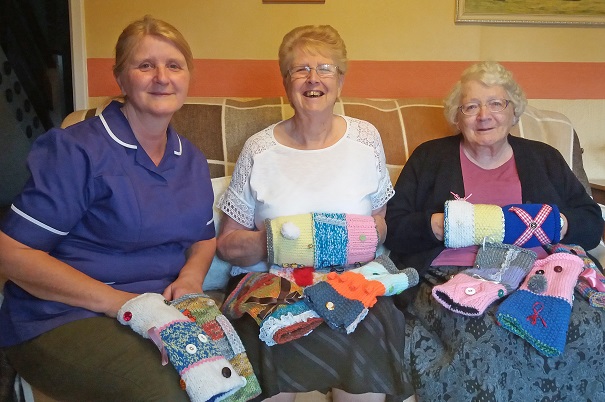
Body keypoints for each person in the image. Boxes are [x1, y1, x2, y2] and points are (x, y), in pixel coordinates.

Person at [0, 16, 216, 401]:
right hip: (63, 316)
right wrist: (124, 305)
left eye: (174, 65)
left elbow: (203, 237)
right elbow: (12, 252)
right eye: (145, 65)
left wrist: (191, 278)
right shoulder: (77, 150)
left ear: (188, 76)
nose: (162, 77)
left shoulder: (191, 159)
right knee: (172, 393)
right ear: (120, 78)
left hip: (157, 311)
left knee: (229, 380)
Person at [385, 61, 605, 401]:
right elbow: (395, 228)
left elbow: (591, 223)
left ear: (513, 111)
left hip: (539, 275)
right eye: (471, 106)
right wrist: (439, 225)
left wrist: (557, 223)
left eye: (496, 104)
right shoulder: (430, 157)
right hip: (452, 275)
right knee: (491, 330)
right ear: (458, 117)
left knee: (587, 326)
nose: (483, 115)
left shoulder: (544, 158)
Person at [216, 25, 413, 402]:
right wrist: (283, 243)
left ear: (340, 80)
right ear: (286, 81)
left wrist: (342, 246)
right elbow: (227, 245)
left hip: (352, 284)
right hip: (272, 287)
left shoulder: (366, 139)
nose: (312, 79)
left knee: (368, 329)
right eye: (299, 69)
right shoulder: (259, 149)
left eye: (325, 68)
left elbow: (379, 228)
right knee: (267, 333)